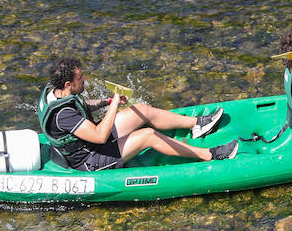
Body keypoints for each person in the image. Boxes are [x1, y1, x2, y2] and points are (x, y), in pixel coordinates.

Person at [37, 56, 238, 170]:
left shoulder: (54, 91)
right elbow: (99, 136)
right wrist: (114, 104)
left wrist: (105, 102)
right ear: (68, 84)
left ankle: (198, 124)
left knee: (140, 110)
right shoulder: (63, 115)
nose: (85, 80)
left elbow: (80, 105)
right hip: (90, 159)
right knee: (148, 136)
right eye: (81, 78)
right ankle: (210, 155)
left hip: (90, 142)